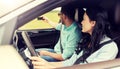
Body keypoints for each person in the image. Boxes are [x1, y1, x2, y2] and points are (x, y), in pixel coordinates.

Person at [30, 8, 118, 69]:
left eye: (84, 19)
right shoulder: (86, 40)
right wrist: (46, 64)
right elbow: (70, 63)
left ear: (93, 23)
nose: (81, 22)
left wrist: (49, 67)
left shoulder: (109, 48)